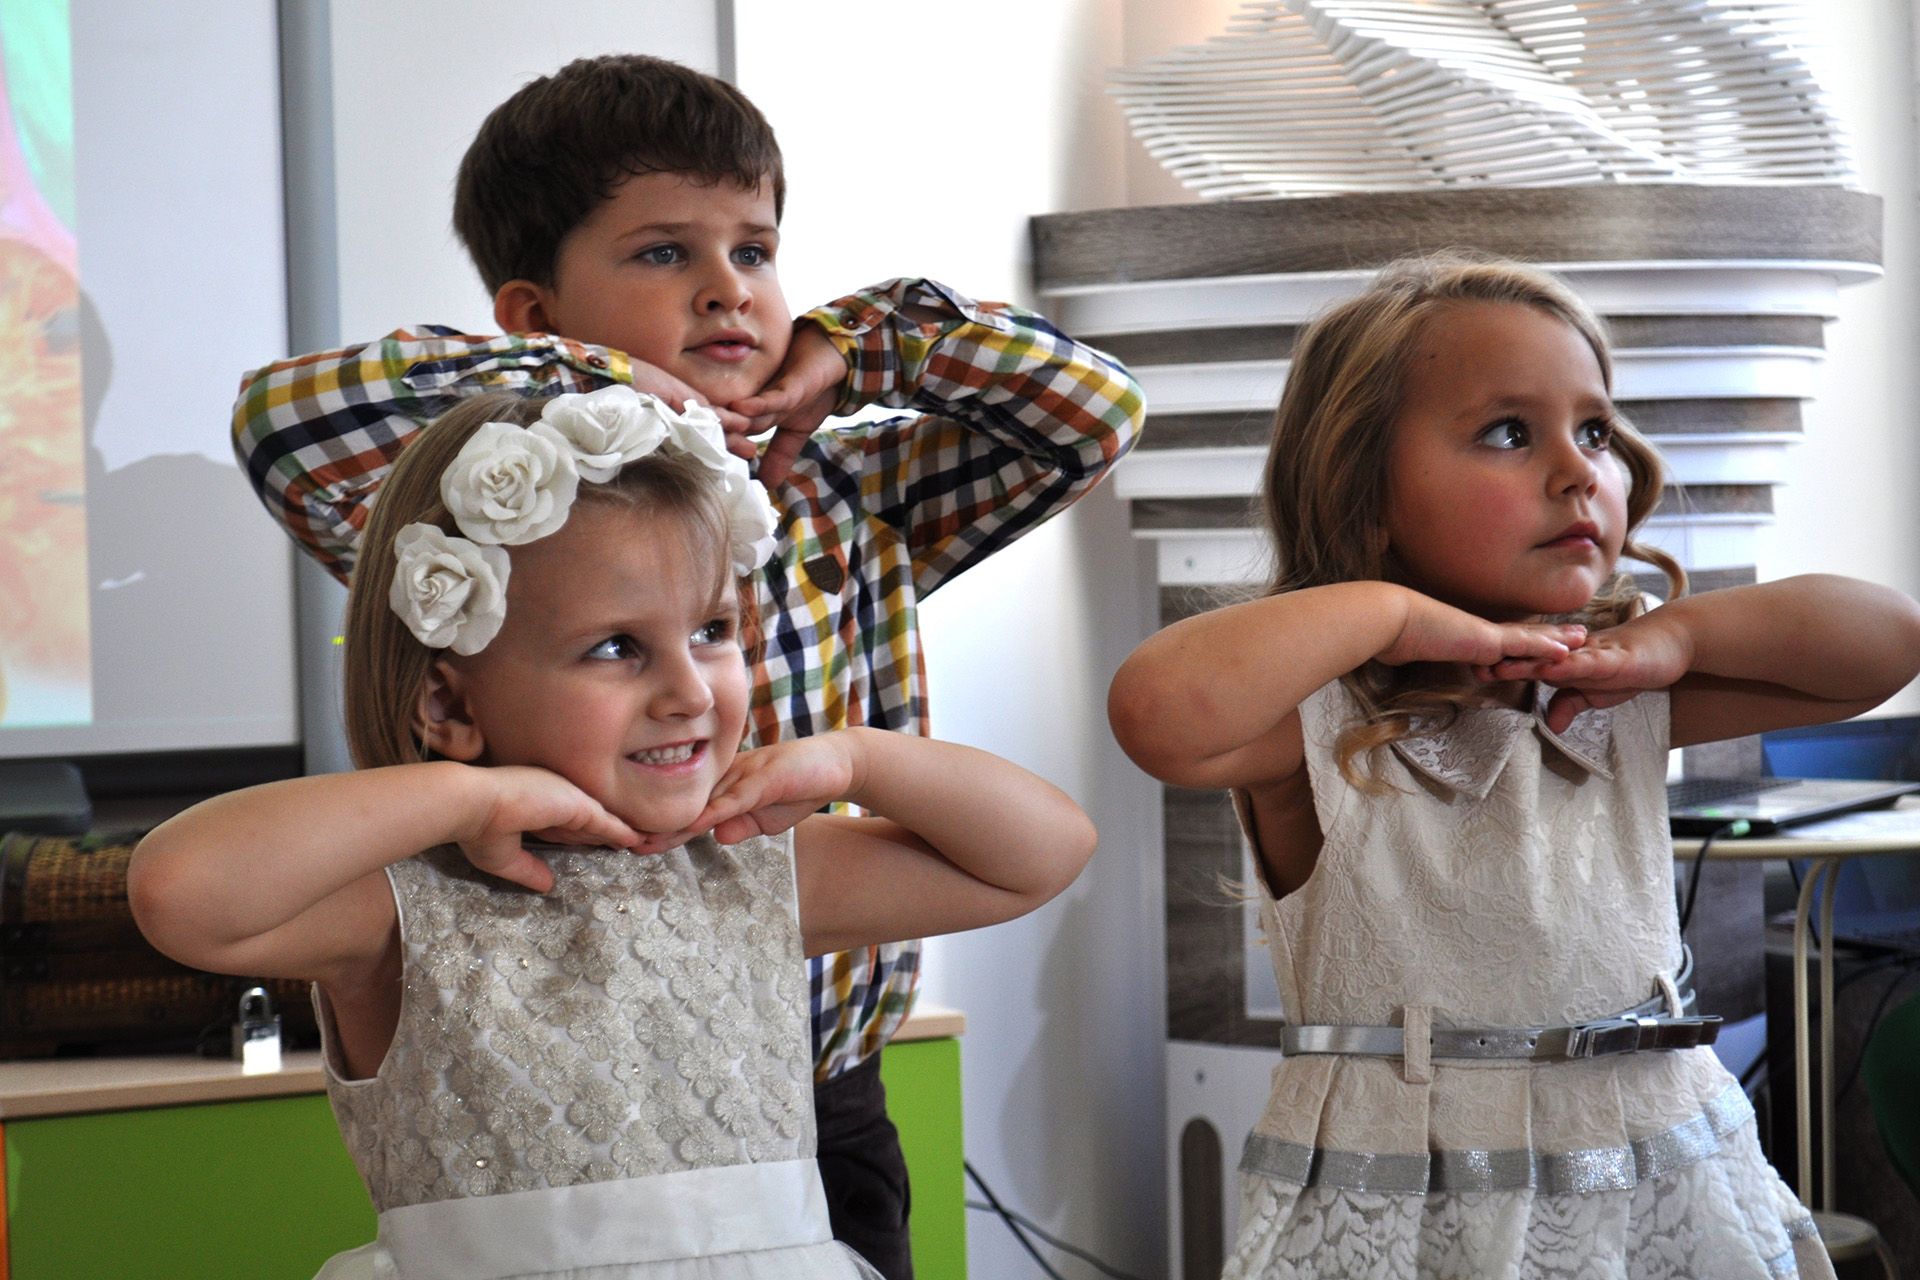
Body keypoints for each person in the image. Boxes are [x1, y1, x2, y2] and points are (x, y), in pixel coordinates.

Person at [230, 53, 1142, 1277]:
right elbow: (283, 423)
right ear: (535, 313)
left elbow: (1092, 409)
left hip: (821, 1097)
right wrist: (603, 382)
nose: (727, 289)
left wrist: (864, 350)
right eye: (664, 252)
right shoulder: (488, 509)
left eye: (753, 250)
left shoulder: (846, 494)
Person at [132, 388, 1096, 1279]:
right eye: (616, 647)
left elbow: (1045, 853)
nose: (688, 691)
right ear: (449, 703)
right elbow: (180, 891)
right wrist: (462, 799)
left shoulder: (752, 871)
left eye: (712, 632)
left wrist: (858, 759)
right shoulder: (402, 904)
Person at [1107, 252, 1920, 1279]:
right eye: (1508, 431)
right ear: (1365, 494)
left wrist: (1681, 635)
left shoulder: (1615, 687)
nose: (1580, 470)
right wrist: (1392, 616)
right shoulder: (1325, 716)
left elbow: (1889, 640)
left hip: (1660, 1179)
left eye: (1596, 431)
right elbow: (1155, 708)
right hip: (1410, 1207)